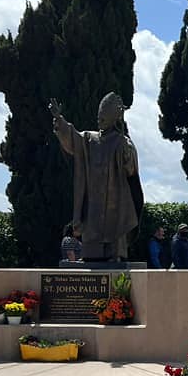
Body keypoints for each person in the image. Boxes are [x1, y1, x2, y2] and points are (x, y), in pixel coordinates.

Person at [49, 93, 143, 261]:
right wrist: (60, 120)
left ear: (114, 118)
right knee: (91, 226)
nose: (100, 121)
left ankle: (116, 254)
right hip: (93, 197)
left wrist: (127, 154)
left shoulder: (122, 142)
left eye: (104, 118)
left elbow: (131, 171)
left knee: (115, 226)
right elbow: (72, 138)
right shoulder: (89, 139)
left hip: (116, 196)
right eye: (99, 118)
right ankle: (91, 254)